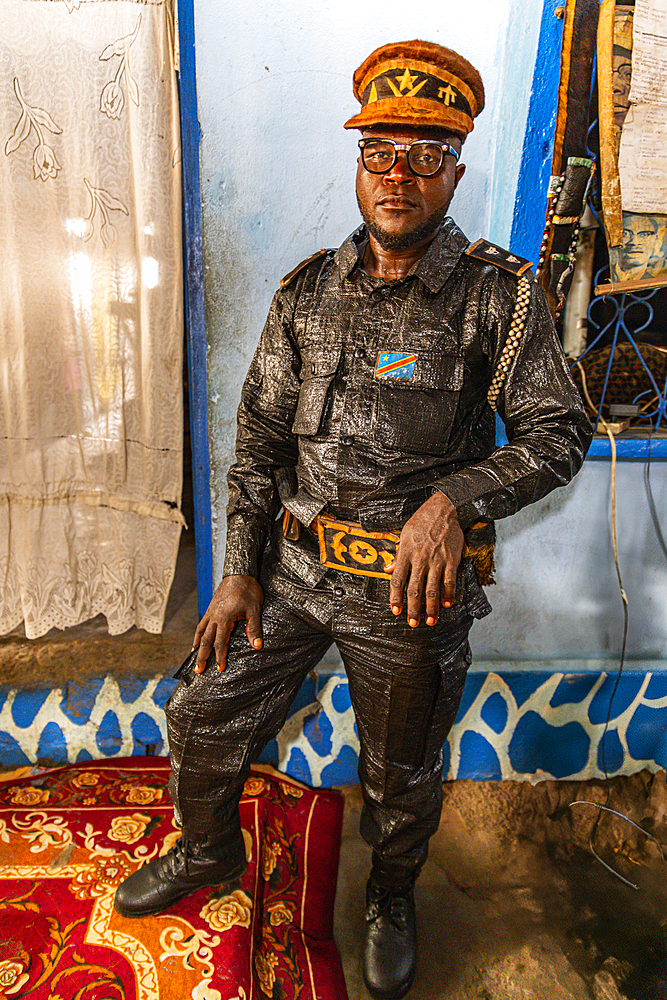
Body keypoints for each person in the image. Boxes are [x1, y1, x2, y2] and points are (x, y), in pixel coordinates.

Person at [115, 40, 592, 1000]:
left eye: (425, 155)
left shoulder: (497, 298)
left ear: (454, 169)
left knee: (400, 776)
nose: (399, 175)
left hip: (408, 595)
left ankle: (391, 896)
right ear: (359, 161)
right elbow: (256, 438)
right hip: (290, 576)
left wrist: (451, 502)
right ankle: (208, 852)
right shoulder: (306, 291)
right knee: (199, 711)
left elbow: (559, 431)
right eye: (381, 151)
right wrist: (241, 569)